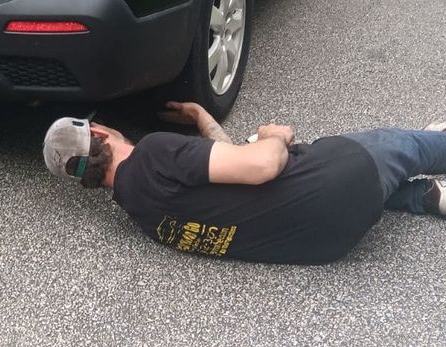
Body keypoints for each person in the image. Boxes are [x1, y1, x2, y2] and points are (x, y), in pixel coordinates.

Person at [42, 102, 446, 264]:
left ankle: (424, 196)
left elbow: (227, 169)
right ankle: (431, 147)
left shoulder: (139, 211)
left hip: (328, 242)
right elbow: (262, 166)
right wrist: (274, 134)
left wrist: (203, 120)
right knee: (409, 144)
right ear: (97, 130)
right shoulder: (154, 152)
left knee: (380, 173)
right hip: (342, 178)